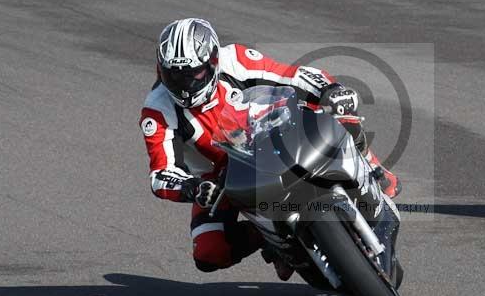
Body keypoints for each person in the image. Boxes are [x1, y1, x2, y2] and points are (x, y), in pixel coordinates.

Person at [139, 18, 400, 277]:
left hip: (278, 130)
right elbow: (161, 173)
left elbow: (291, 75)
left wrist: (330, 89)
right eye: (173, 75)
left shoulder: (235, 60)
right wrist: (192, 188)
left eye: (192, 74)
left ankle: (371, 165)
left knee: (341, 112)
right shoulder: (158, 109)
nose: (184, 86)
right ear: (160, 69)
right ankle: (271, 242)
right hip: (221, 177)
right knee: (209, 251)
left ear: (213, 62)